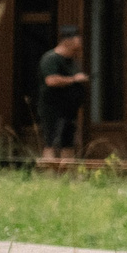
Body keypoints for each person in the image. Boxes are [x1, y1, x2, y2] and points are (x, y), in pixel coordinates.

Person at [36, 26, 88, 162]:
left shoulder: (72, 61)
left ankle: (68, 176)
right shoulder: (51, 59)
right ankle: (49, 174)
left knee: (68, 142)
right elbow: (51, 80)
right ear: (67, 40)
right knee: (51, 141)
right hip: (52, 108)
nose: (80, 42)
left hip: (69, 109)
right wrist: (74, 79)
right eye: (78, 38)